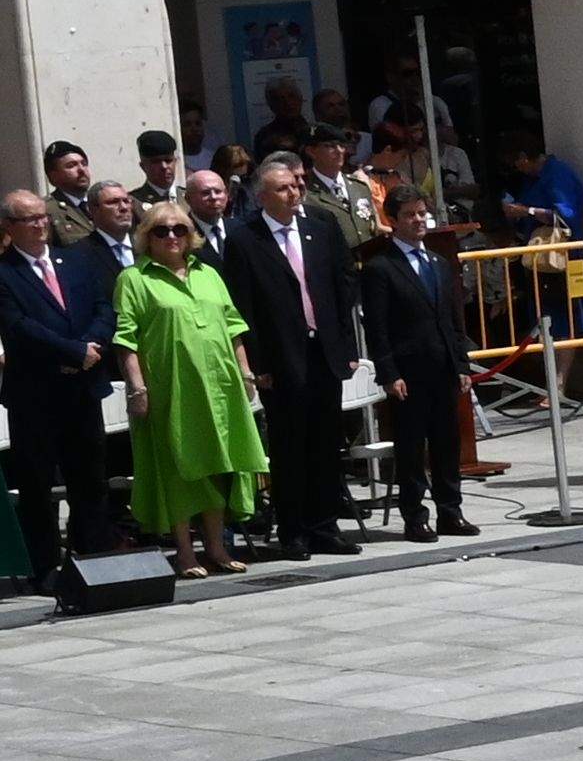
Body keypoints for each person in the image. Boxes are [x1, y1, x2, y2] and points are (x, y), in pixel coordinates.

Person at [212, 156, 356, 557]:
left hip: (323, 352)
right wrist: (257, 365)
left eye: (295, 186)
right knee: (291, 448)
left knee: (327, 444)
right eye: (282, 188)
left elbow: (342, 287)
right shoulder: (244, 238)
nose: (293, 193)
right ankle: (293, 530)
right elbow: (243, 306)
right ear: (261, 197)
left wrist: (346, 347)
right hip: (280, 358)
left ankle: (325, 526)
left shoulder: (320, 226)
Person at [113, 203, 260, 578]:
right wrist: (136, 386)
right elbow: (125, 339)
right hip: (170, 388)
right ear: (147, 237)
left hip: (220, 385)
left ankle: (216, 546)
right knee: (179, 466)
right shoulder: (134, 278)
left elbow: (233, 326)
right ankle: (185, 552)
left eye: (179, 228)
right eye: (161, 231)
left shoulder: (209, 273)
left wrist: (245, 373)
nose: (172, 236)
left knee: (217, 463)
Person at [0, 186, 124, 573]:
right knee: (38, 484)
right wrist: (73, 353)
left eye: (43, 216)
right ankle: (46, 567)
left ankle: (96, 556)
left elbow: (105, 309)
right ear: (9, 226)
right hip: (35, 394)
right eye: (30, 219)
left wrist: (91, 347)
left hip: (82, 389)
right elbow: (19, 328)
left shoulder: (75, 261)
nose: (41, 224)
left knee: (90, 477)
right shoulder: (4, 273)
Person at [352, 187, 476, 541]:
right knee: (410, 447)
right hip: (408, 371)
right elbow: (377, 326)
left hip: (442, 367)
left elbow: (453, 319)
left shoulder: (438, 262)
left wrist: (461, 365)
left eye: (422, 213)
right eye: (410, 215)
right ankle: (414, 515)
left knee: (447, 444)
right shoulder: (381, 267)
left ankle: (450, 511)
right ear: (393, 221)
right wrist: (389, 373)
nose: (419, 220)